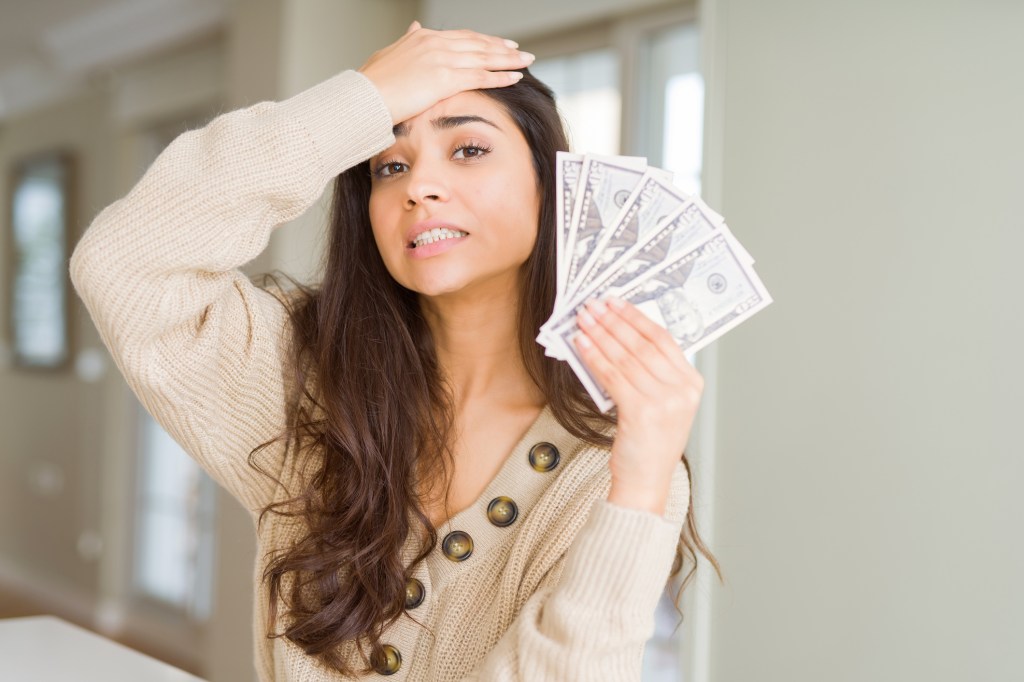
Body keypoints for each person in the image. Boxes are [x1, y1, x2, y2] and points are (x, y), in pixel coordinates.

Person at [69, 19, 721, 681]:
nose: (418, 187)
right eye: (391, 164)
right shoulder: (298, 380)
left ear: (552, 188)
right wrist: (361, 99)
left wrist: (640, 482)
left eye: (468, 149)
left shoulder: (614, 463)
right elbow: (125, 264)